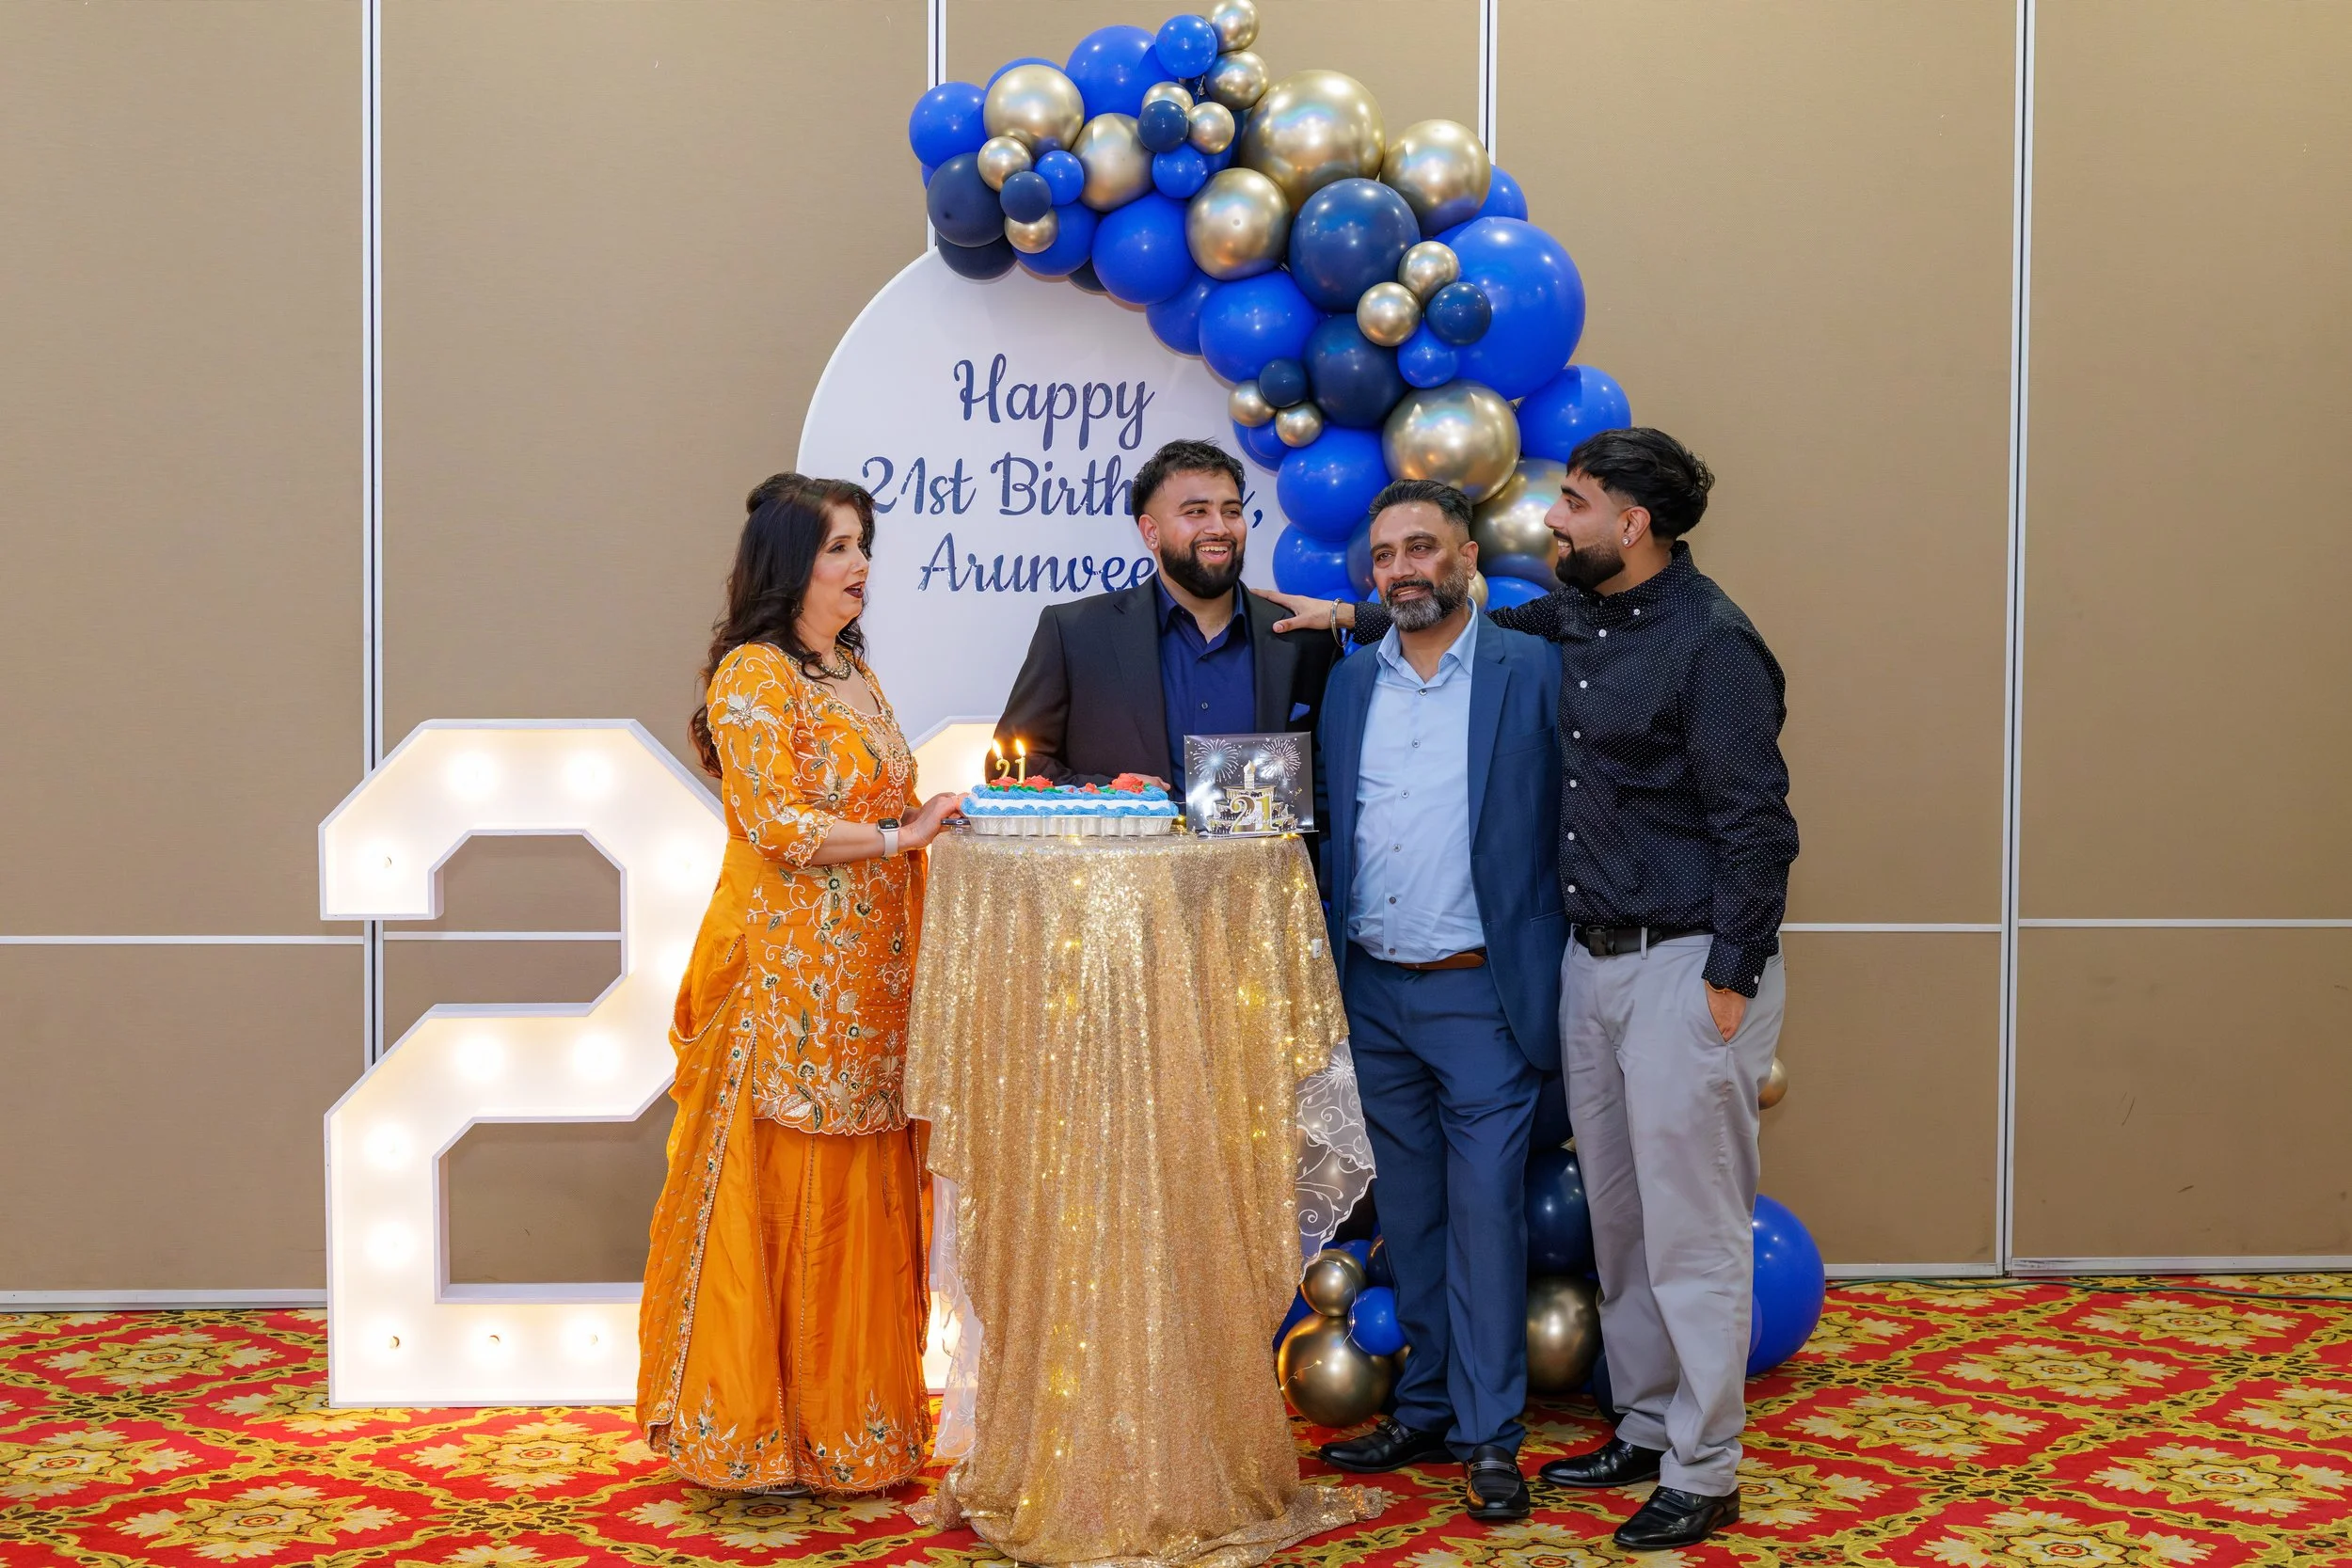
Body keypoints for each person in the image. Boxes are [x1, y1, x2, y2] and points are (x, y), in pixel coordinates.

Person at [1265, 429, 1798, 1551]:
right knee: (1622, 1224)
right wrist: (1353, 620)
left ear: (1631, 523)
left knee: (1693, 1232)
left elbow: (1759, 824)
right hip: (1586, 964)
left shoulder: (1712, 642)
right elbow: (1453, 624)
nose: (1552, 521)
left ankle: (1705, 1466)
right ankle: (1646, 1425)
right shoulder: (1576, 620)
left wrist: (1731, 978)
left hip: (1688, 961)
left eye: (1575, 503)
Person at [637, 474, 965, 1496]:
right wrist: (896, 834)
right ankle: (758, 1431)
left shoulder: (853, 672)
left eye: (861, 544)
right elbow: (776, 821)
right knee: (785, 1193)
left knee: (866, 1188)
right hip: (786, 981)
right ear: (788, 565)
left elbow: (892, 799)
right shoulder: (752, 675)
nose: (858, 564)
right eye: (835, 548)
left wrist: (935, 820)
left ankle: (852, 1433)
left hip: (874, 973)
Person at [1311, 481, 1564, 1524]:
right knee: (1407, 1214)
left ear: (1467, 556)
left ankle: (1489, 1433)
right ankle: (1422, 1401)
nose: (1403, 567)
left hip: (1480, 993)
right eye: (1384, 554)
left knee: (1484, 1219)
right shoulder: (1348, 685)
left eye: (1423, 547)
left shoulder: (1527, 668)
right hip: (1374, 989)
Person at [994, 438, 1339, 786]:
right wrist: (1115, 795)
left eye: (1232, 511)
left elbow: (1329, 782)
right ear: (1151, 532)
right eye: (1196, 512)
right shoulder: (1074, 633)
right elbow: (1010, 765)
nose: (1219, 527)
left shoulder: (1301, 636)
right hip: (1124, 842)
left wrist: (1353, 615)